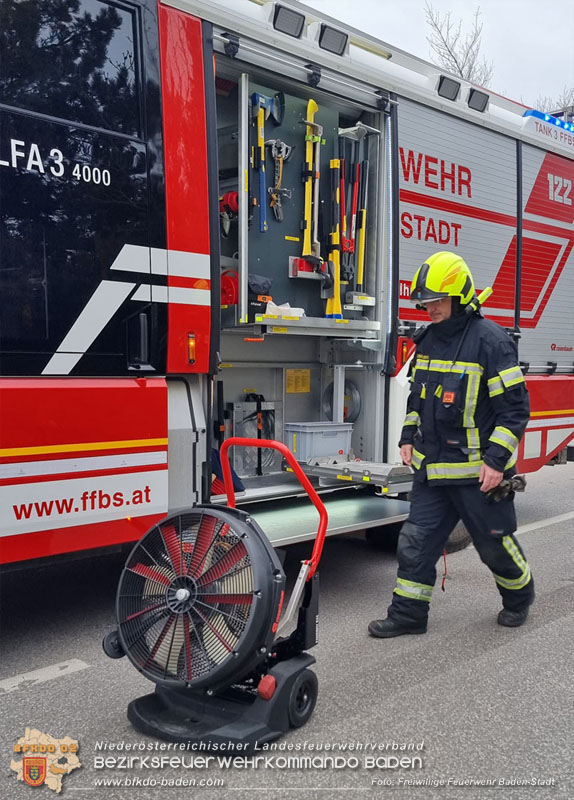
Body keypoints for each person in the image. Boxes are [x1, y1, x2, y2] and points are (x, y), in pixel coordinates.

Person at [369, 251, 534, 638]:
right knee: (415, 542)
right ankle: (408, 615)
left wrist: (496, 462)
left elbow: (514, 411)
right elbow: (417, 398)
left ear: (459, 296)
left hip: (480, 476)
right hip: (433, 471)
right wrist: (407, 437)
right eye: (426, 302)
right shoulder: (426, 342)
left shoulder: (492, 343)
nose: (430, 308)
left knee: (493, 546)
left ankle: (519, 597)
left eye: (437, 301)